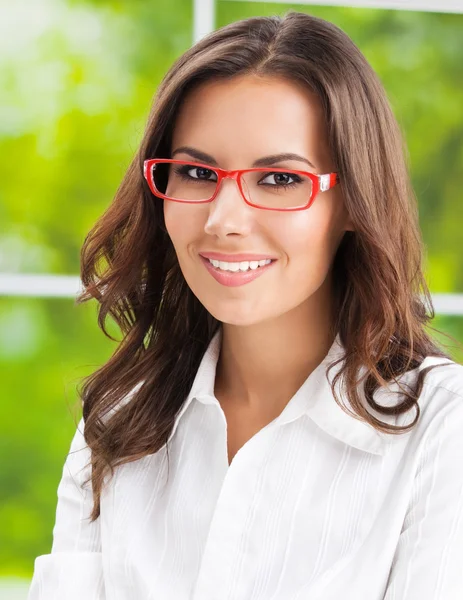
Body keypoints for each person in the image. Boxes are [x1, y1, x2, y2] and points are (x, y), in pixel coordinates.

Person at [27, 10, 463, 600]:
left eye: (280, 180)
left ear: (354, 202)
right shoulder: (119, 422)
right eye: (197, 172)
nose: (224, 220)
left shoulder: (441, 427)